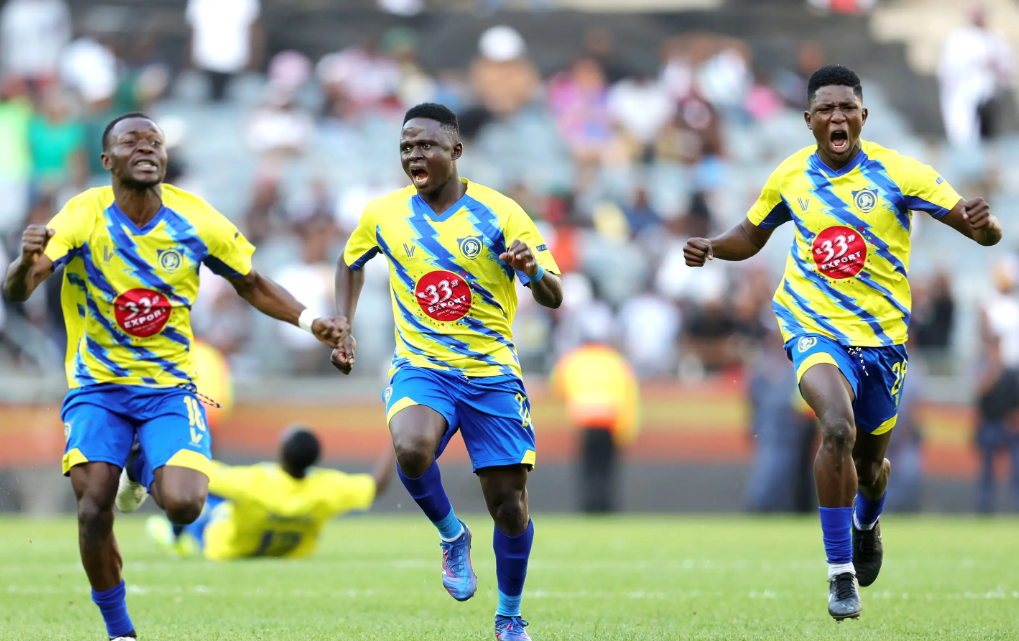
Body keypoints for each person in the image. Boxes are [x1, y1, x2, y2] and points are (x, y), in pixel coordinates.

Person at [2, 112, 348, 641]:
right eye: (132, 142)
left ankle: (138, 465)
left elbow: (252, 283)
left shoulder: (196, 218)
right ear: (107, 160)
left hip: (168, 389)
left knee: (185, 506)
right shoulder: (83, 214)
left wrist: (310, 321)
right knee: (93, 507)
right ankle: (121, 632)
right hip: (97, 388)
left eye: (155, 142)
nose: (146, 149)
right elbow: (18, 289)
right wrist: (23, 261)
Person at [683, 65, 1002, 621]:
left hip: (882, 341)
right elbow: (751, 235)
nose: (838, 117)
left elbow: (979, 231)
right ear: (809, 119)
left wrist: (985, 224)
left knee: (870, 466)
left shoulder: (899, 172)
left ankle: (867, 521)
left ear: (863, 116)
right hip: (813, 328)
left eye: (847, 108)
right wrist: (713, 245)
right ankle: (840, 573)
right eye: (827, 109)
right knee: (835, 427)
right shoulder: (791, 176)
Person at [331, 102, 562, 641]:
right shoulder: (384, 214)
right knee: (410, 446)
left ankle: (509, 617)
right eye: (406, 147)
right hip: (423, 365)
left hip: (491, 373)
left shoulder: (501, 213)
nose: (414, 155)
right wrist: (344, 323)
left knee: (509, 506)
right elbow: (350, 261)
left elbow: (553, 295)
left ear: (455, 150)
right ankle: (452, 535)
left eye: (426, 145)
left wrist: (532, 272)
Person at [147, 426, 396, 559]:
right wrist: (397, 435)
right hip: (289, 554)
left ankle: (173, 536)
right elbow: (377, 485)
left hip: (227, 549)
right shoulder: (327, 488)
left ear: (282, 453)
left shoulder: (255, 481)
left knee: (200, 496)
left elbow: (195, 471)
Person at [937, 3, 1014, 146]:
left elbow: (1007, 68)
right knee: (965, 135)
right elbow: (948, 69)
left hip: (990, 98)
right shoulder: (957, 39)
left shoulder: (995, 38)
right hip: (963, 97)